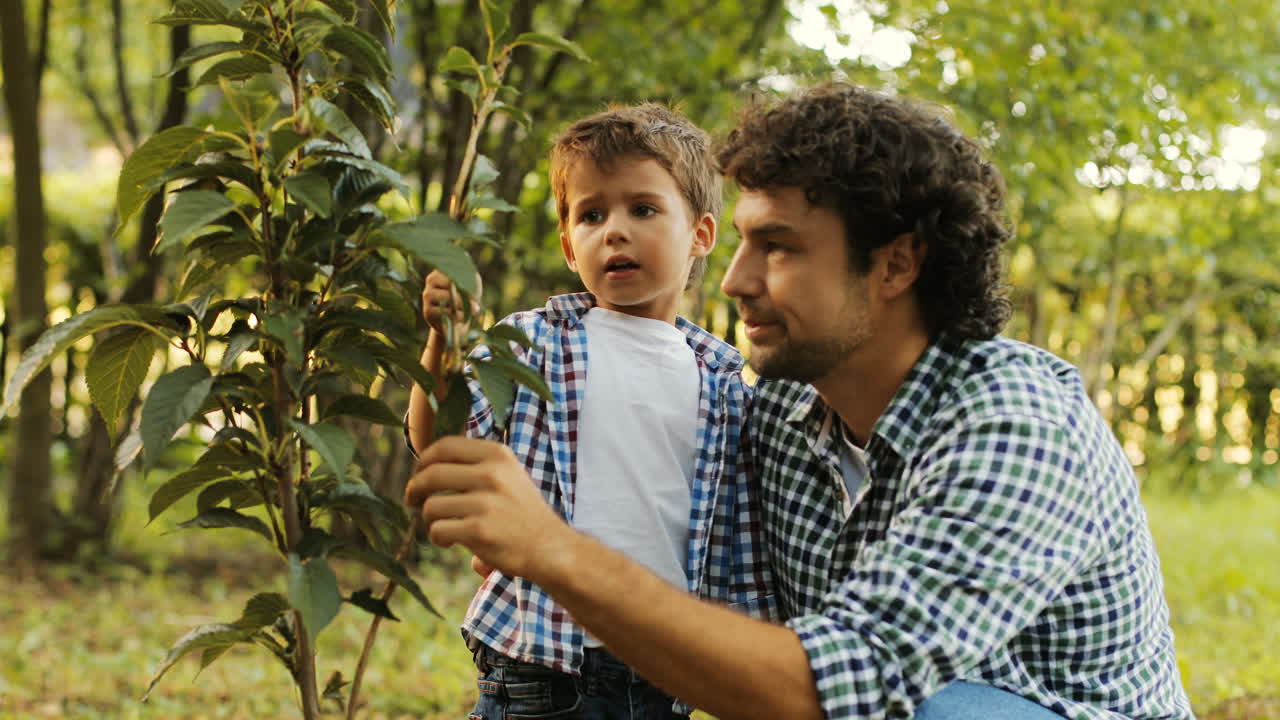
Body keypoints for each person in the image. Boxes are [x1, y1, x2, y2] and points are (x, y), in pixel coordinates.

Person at [407, 84, 1192, 719]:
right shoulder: (770, 419)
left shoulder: (1016, 428)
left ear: (895, 265)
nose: (739, 279)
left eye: (777, 247)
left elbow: (833, 692)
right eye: (744, 242)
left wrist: (554, 550)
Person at [406, 103, 776, 720]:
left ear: (702, 235)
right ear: (569, 245)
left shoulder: (724, 383)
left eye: (644, 209)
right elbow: (438, 436)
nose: (615, 230)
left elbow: (735, 536)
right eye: (591, 214)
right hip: (542, 667)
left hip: (664, 667)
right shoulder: (533, 342)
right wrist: (443, 341)